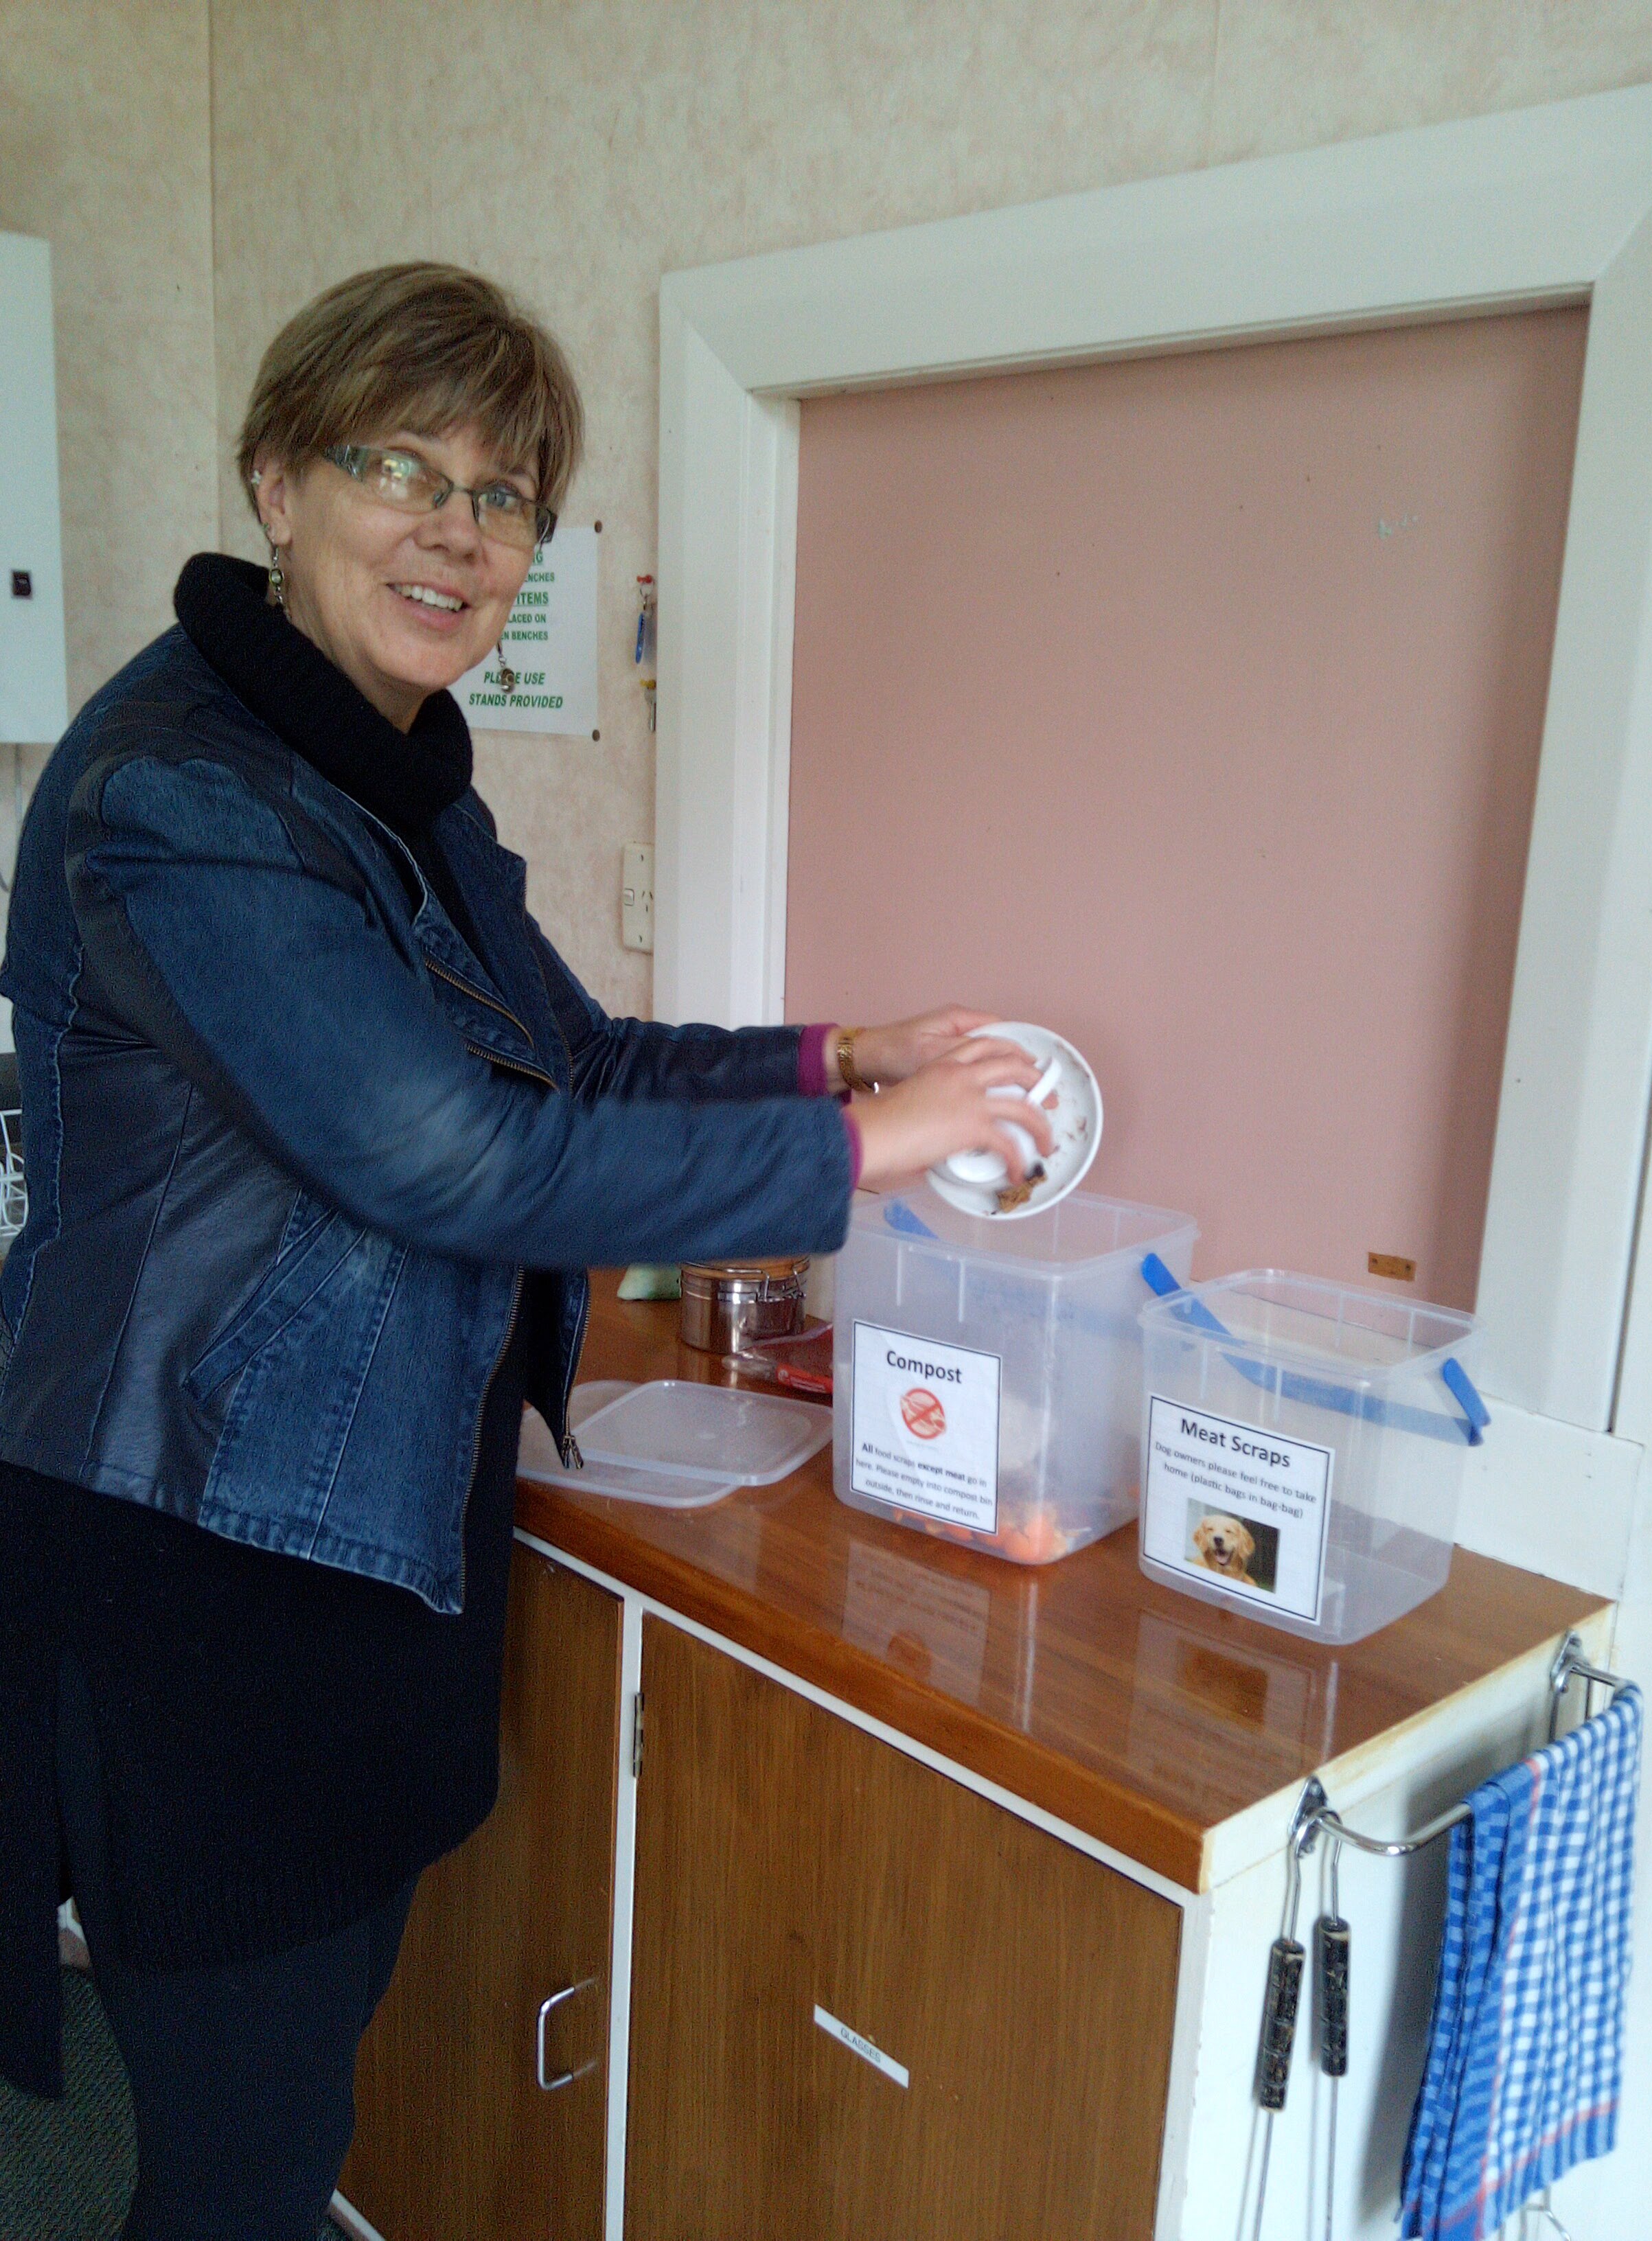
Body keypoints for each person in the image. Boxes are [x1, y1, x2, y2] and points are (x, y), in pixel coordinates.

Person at [0, 263, 1048, 2240]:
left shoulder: (388, 777)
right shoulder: (186, 798)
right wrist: (866, 1153)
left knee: (298, 2090)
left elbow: (567, 1058)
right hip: (201, 1566)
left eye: (503, 496)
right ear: (278, 483)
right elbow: (460, 1158)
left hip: (348, 1522)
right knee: (246, 2160)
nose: (456, 532)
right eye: (400, 467)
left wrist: (840, 1051)